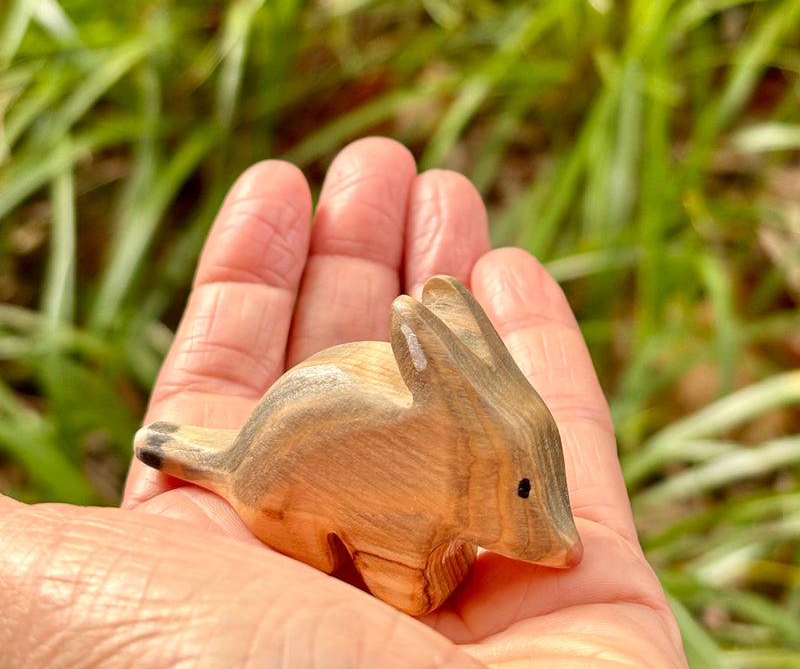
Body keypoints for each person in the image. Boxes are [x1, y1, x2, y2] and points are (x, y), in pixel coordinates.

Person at [0, 137, 688, 668]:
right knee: (379, 550)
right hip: (280, 491)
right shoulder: (417, 475)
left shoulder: (443, 467)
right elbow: (393, 550)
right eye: (526, 491)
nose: (561, 540)